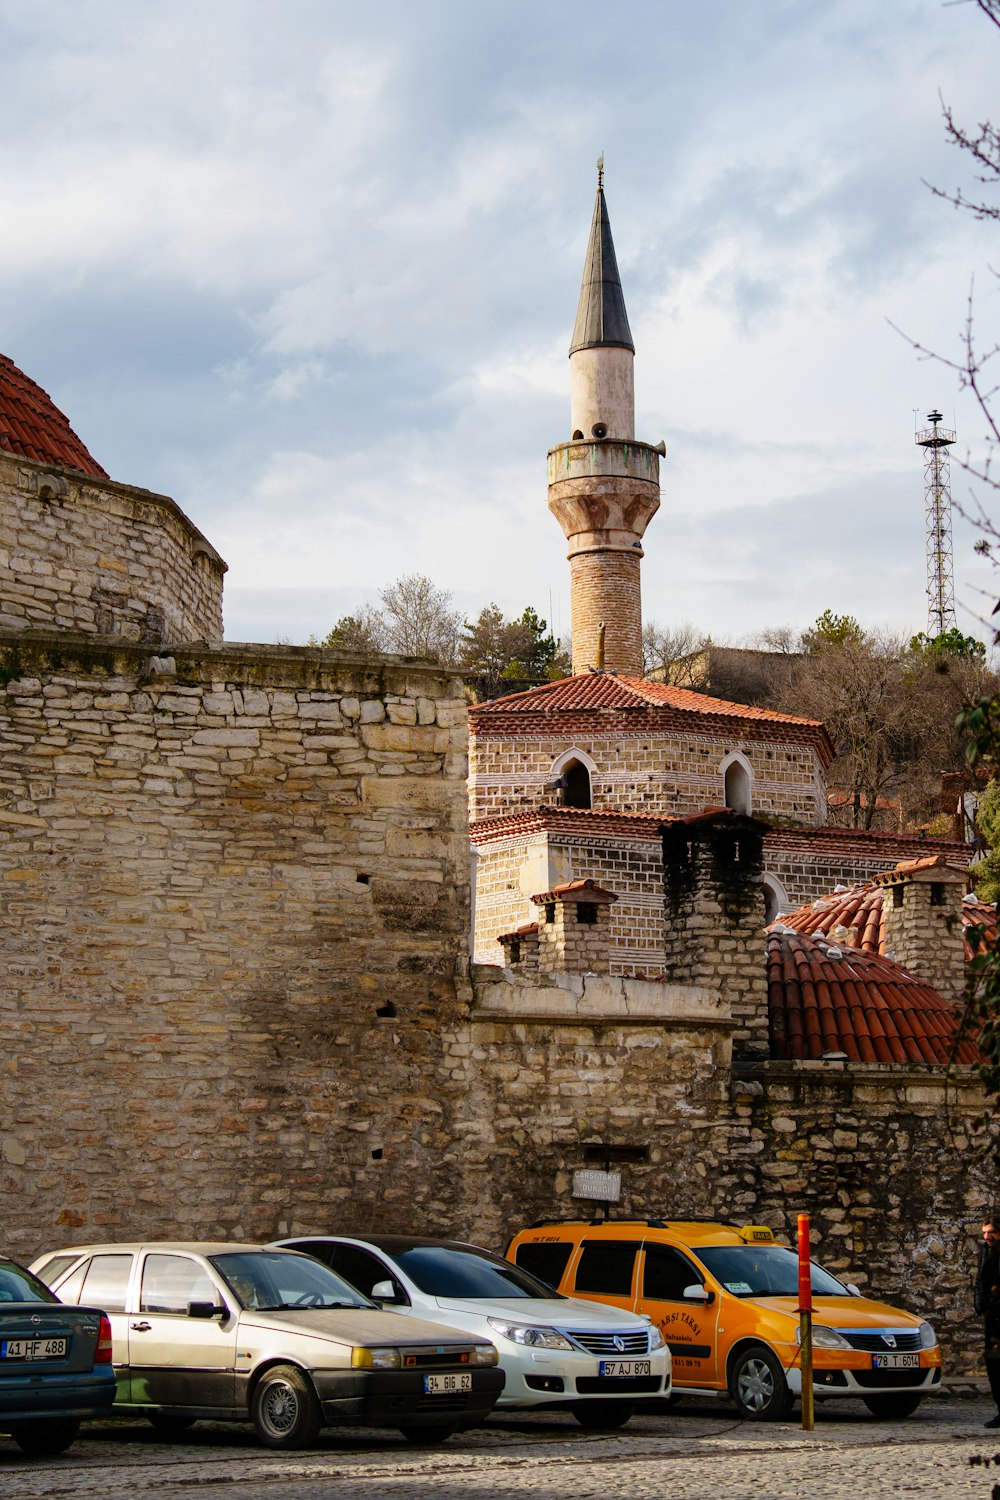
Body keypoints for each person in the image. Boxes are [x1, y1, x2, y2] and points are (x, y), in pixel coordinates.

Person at [975, 1215, 1000, 1428]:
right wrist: (980, 1307)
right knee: (994, 1365)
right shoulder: (985, 1252)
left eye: (991, 1232)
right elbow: (980, 1281)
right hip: (993, 1320)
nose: (987, 1237)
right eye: (984, 1232)